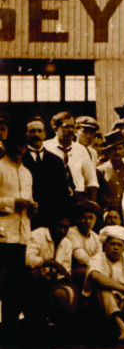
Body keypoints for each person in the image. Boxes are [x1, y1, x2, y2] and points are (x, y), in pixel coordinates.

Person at [0, 123, 36, 336]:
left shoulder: (26, 172)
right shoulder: (0, 168)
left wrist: (32, 208)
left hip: (21, 234)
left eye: (23, 146)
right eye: (16, 146)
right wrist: (12, 203)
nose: (20, 150)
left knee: (15, 281)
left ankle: (10, 322)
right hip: (2, 233)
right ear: (7, 146)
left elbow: (27, 201)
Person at [23, 116, 71, 230]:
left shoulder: (56, 161)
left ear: (44, 134)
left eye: (39, 131)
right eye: (32, 131)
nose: (36, 134)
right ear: (26, 134)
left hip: (50, 219)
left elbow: (63, 193)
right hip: (25, 217)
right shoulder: (20, 159)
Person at [43, 112, 98, 204]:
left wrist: (92, 204)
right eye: (66, 127)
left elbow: (92, 181)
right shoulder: (46, 147)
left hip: (78, 199)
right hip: (53, 198)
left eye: (72, 127)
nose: (71, 130)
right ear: (55, 128)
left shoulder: (80, 150)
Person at [96, 131, 124, 216]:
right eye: (113, 149)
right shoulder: (100, 170)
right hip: (107, 215)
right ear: (108, 151)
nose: (116, 152)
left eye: (119, 148)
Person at [66, 201, 102, 284]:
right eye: (84, 217)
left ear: (95, 219)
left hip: (91, 269)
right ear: (77, 219)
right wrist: (96, 266)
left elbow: (99, 256)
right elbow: (80, 257)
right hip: (73, 271)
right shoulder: (71, 232)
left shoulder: (96, 237)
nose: (87, 221)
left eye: (90, 218)